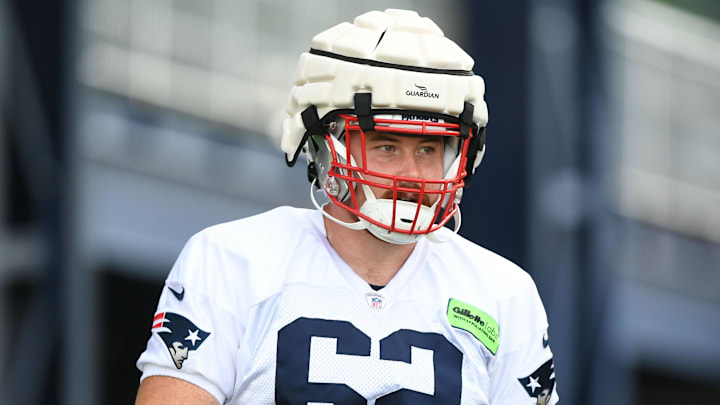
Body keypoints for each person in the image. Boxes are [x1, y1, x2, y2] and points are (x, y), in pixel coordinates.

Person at [135, 9, 558, 405]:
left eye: (429, 148)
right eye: (387, 145)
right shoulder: (232, 261)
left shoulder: (504, 294)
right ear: (322, 146)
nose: (412, 173)